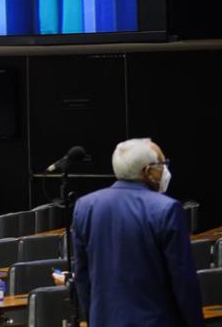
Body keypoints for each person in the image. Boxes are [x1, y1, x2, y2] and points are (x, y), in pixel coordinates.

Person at [72, 138, 202, 326]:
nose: (165, 170)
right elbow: (183, 281)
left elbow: (83, 277)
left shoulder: (85, 207)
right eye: (162, 164)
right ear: (148, 171)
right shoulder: (167, 208)